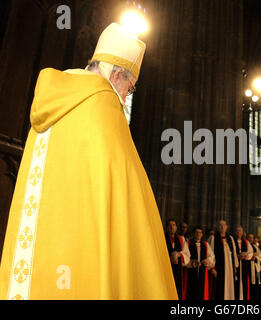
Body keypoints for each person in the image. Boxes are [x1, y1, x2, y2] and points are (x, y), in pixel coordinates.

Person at [0, 23, 177, 300]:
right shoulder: (102, 103)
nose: (125, 99)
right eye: (129, 90)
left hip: (41, 249)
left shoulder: (53, 97)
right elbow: (124, 189)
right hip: (83, 252)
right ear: (117, 75)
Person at [207, 220, 238, 300]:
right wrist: (212, 268)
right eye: (220, 225)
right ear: (217, 227)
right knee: (219, 289)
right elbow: (210, 254)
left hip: (230, 268)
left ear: (226, 227)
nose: (222, 227)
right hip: (219, 268)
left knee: (229, 287)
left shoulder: (230, 238)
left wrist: (235, 266)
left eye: (224, 225)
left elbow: (234, 253)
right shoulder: (213, 238)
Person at [184, 227, 215, 300]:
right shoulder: (188, 243)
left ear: (202, 235)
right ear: (193, 233)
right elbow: (185, 255)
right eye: (197, 232)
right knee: (191, 292)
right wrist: (191, 262)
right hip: (191, 272)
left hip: (202, 271)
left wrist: (207, 260)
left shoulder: (206, 244)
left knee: (201, 292)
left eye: (200, 232)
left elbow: (212, 256)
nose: (198, 234)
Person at [165, 219, 190, 300]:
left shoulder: (181, 239)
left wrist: (179, 254)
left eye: (174, 225)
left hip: (177, 269)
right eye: (170, 225)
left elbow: (187, 254)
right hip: (166, 268)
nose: (172, 227)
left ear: (176, 227)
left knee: (177, 289)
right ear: (167, 227)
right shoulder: (162, 237)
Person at [233, 226, 253, 300]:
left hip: (244, 265)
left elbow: (250, 253)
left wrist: (245, 256)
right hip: (235, 266)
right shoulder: (232, 241)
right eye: (237, 231)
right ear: (235, 232)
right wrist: (236, 256)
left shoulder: (246, 242)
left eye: (240, 231)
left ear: (242, 233)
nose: (239, 232)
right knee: (235, 283)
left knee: (243, 283)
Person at [247, 233, 261, 300]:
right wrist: (250, 257)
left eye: (252, 237)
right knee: (249, 284)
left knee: (255, 284)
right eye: (249, 237)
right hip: (248, 267)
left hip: (255, 267)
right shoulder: (245, 245)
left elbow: (260, 256)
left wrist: (255, 258)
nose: (251, 239)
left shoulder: (255, 246)